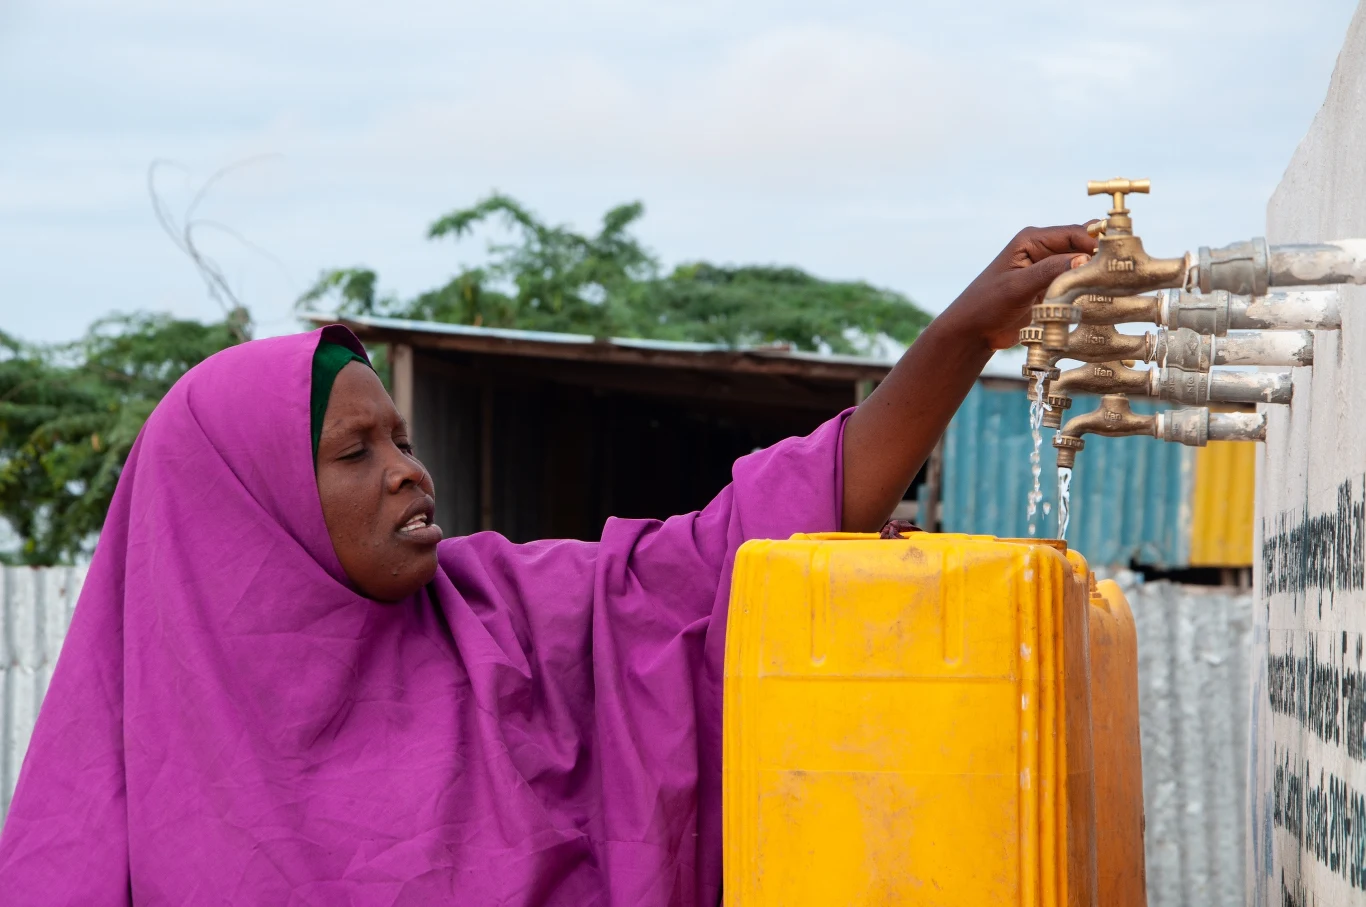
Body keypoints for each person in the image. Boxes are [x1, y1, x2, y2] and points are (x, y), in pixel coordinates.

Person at [0, 225, 1095, 905]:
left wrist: (959, 337)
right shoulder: (115, 797)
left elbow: (741, 550)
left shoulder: (508, 614)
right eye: (355, 452)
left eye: (405, 442)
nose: (407, 474)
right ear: (248, 513)